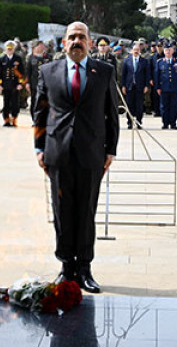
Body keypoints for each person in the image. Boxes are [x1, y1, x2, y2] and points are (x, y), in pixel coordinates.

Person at [32, 20, 119, 293]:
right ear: (63, 42)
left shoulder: (104, 71)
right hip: (58, 154)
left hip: (92, 154)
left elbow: (111, 115)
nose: (76, 41)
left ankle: (84, 268)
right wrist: (39, 148)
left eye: (81, 37)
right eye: (71, 37)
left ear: (90, 42)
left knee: (86, 212)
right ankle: (66, 267)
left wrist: (111, 150)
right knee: (62, 213)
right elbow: (40, 113)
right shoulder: (48, 71)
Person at [154, 40, 177, 129]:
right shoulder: (160, 62)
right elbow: (157, 76)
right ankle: (165, 123)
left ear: (173, 51)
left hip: (175, 87)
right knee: (164, 106)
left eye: (170, 50)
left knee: (174, 106)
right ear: (164, 51)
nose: (168, 51)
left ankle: (173, 123)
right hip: (164, 87)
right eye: (166, 50)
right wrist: (157, 87)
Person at [120, 40, 150, 129]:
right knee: (129, 105)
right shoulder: (127, 61)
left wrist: (146, 85)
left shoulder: (144, 61)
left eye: (137, 49)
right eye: (134, 49)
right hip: (129, 86)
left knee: (139, 106)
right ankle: (129, 122)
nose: (136, 51)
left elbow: (147, 74)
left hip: (140, 86)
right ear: (131, 51)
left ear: (140, 51)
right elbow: (124, 74)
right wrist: (123, 86)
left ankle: (138, 121)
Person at [0, 40, 25, 127]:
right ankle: (6, 121)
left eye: (11, 49)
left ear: (14, 49)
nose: (9, 50)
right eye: (8, 49)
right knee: (6, 104)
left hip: (15, 85)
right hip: (5, 85)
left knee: (15, 104)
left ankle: (14, 120)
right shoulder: (1, 59)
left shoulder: (18, 58)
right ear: (5, 49)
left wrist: (20, 84)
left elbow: (21, 72)